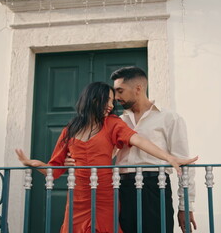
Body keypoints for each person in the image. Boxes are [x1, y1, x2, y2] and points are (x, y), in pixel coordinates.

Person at [15, 82, 197, 233]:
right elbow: (53, 171)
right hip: (78, 199)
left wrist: (169, 157)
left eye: (112, 101)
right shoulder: (69, 130)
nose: (111, 106)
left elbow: (138, 140)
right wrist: (32, 163)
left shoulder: (112, 123)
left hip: (105, 197)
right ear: (93, 99)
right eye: (107, 101)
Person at [66, 67, 197, 233]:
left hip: (155, 187)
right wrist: (74, 159)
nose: (116, 98)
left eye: (120, 91)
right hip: (121, 189)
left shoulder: (170, 118)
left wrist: (185, 206)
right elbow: (101, 154)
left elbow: (184, 163)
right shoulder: (114, 122)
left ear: (138, 89)